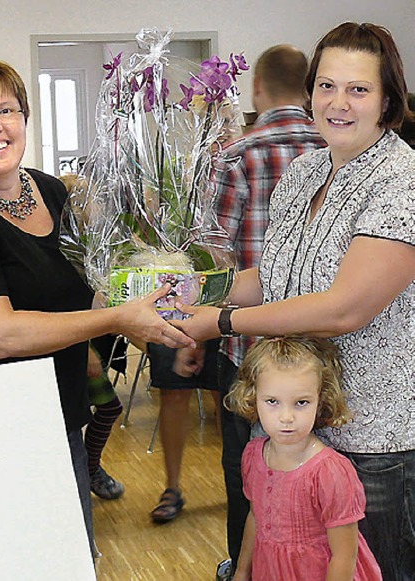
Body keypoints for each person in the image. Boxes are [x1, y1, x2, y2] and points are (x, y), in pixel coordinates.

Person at [0, 58, 195, 556]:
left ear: (25, 118)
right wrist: (116, 319)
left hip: (60, 416)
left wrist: (158, 309)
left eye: (6, 110)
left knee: (70, 557)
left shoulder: (49, 190)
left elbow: (83, 291)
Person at [174, 22, 414, 581]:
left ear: (387, 99)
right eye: (326, 86)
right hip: (292, 429)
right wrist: (194, 292)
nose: (338, 102)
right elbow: (279, 276)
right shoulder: (305, 171)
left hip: (370, 439)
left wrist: (221, 321)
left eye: (358, 89)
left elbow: (343, 309)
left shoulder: (401, 182)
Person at [212, 44, 326, 579]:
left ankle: (248, 568)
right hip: (324, 355)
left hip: (250, 351)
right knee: (318, 479)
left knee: (251, 477)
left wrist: (206, 321)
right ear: (309, 87)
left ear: (258, 87)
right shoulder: (334, 147)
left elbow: (216, 254)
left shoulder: (236, 153)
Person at [224, 336, 381, 580]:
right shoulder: (253, 455)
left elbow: (345, 555)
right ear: (253, 397)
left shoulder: (330, 472)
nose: (286, 417)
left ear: (321, 401)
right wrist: (242, 571)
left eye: (301, 402)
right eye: (273, 402)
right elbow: (256, 516)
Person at [147, 339, 220, 523]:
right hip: (172, 316)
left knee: (225, 395)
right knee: (173, 393)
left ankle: (241, 484)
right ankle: (172, 488)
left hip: (222, 315)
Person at [86, 336, 125, 500]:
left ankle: (90, 468)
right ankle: (89, 470)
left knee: (110, 408)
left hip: (79, 341)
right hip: (59, 345)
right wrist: (86, 352)